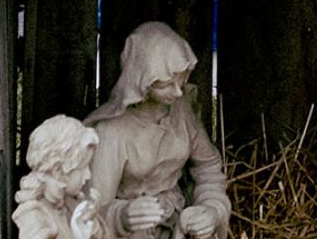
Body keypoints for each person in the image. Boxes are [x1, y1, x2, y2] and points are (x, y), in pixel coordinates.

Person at [85, 22, 230, 239]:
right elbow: (92, 210)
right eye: (166, 85)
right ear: (142, 82)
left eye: (181, 81)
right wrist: (122, 216)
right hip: (133, 231)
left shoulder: (180, 111)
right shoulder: (111, 131)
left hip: (179, 223)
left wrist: (211, 209)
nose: (179, 92)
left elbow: (208, 166)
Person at [15, 115, 107, 239]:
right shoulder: (34, 216)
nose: (88, 175)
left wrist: (94, 227)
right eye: (83, 167)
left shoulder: (72, 205)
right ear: (58, 170)